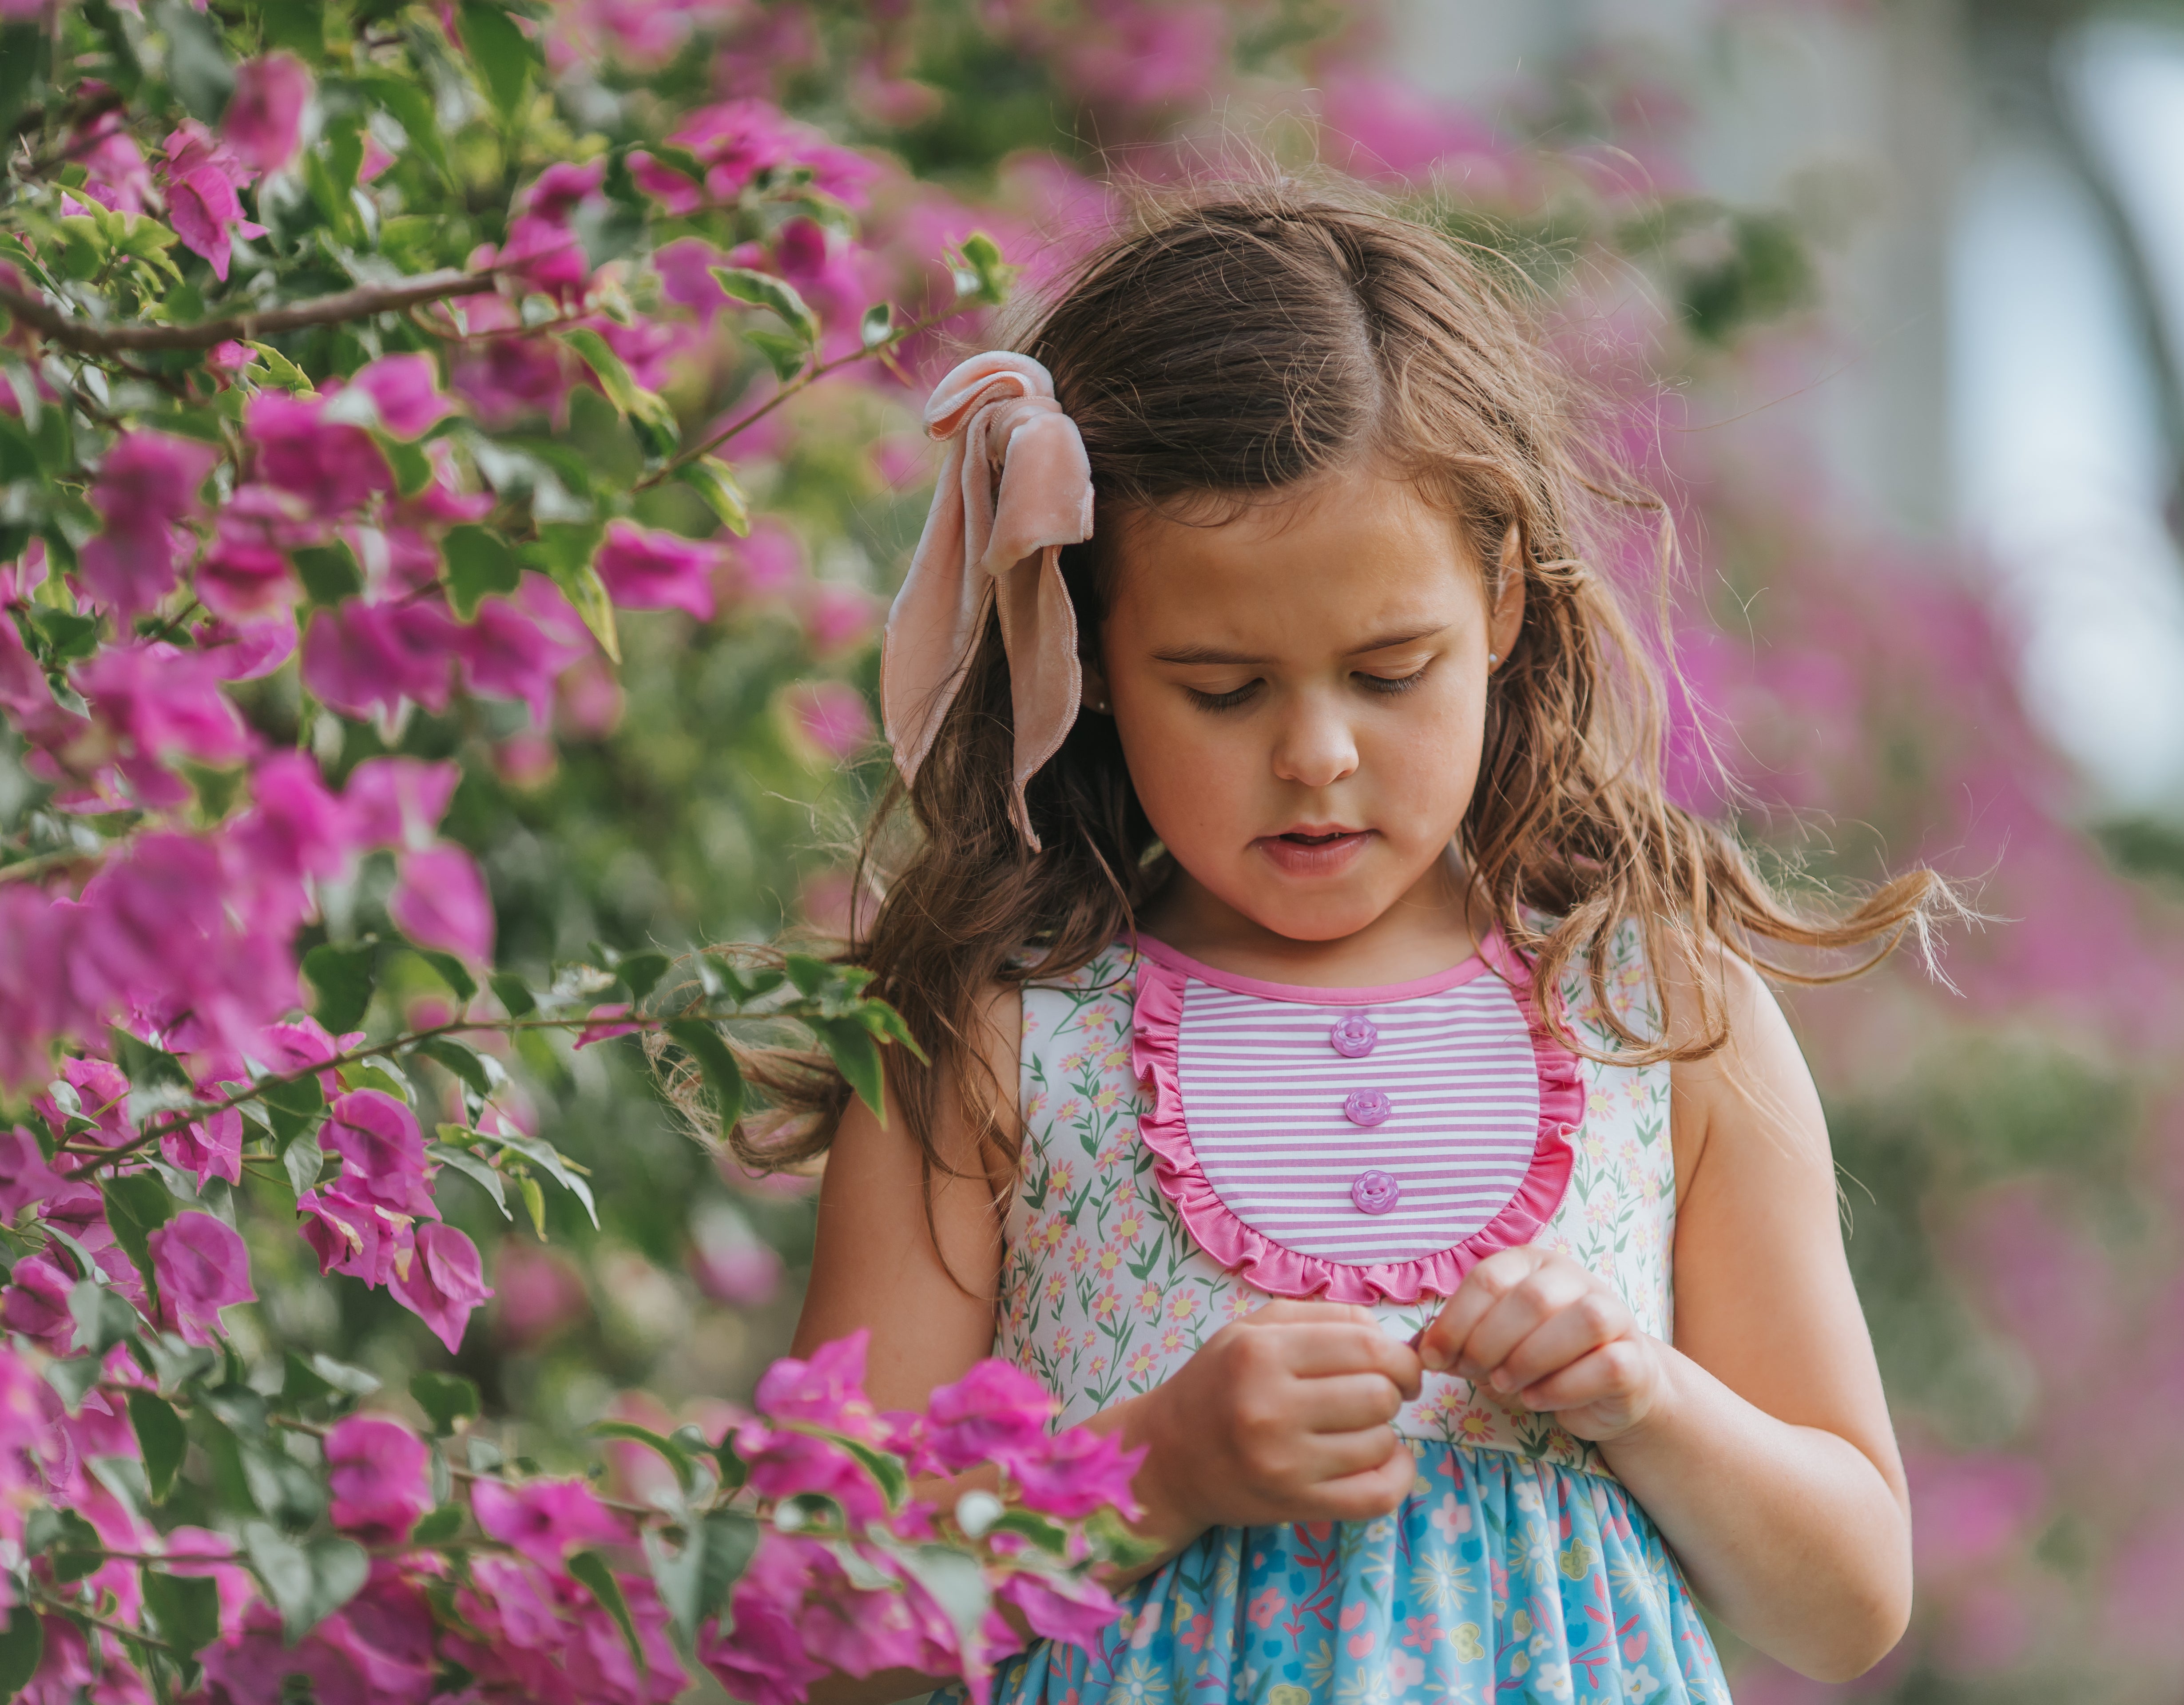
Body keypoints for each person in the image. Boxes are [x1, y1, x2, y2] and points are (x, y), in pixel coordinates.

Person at [777, 178, 1950, 1705]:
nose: (1317, 752)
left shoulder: (1660, 1009)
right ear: (1093, 652)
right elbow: (808, 1623)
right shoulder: (1001, 1040)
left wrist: (1646, 1400)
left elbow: (1851, 1598)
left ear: (1508, 609)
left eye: (1392, 671)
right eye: (1222, 687)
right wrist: (1152, 1470)